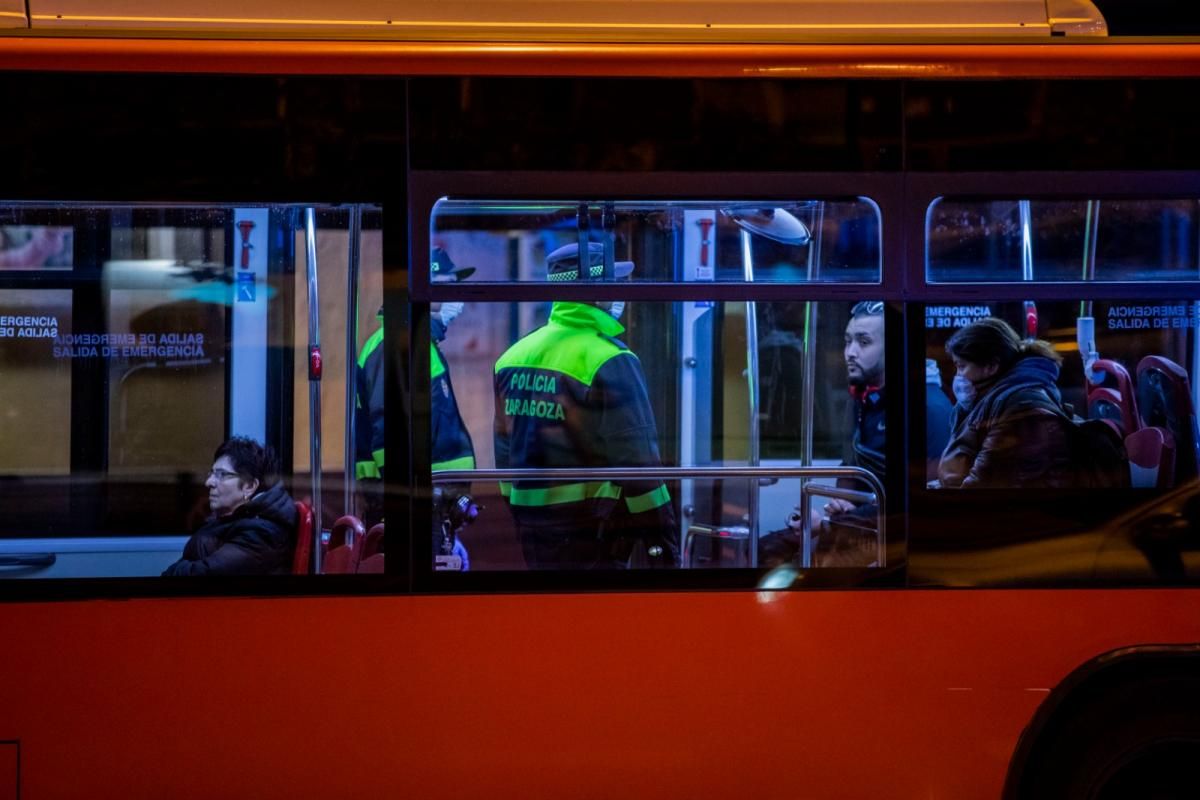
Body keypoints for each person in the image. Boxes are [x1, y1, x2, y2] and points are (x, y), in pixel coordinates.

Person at [493, 241, 678, 569]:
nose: (622, 291)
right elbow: (639, 463)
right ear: (596, 289)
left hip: (531, 529)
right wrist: (661, 545)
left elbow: (504, 448)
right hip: (592, 532)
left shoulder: (512, 356)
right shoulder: (609, 359)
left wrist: (521, 510)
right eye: (615, 282)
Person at [936, 317, 1074, 489]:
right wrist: (965, 409)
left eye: (962, 366)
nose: (958, 375)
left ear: (992, 366)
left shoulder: (1021, 410)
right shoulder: (991, 400)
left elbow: (979, 487)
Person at [163, 437, 296, 576]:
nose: (209, 482)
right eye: (212, 473)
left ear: (249, 486)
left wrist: (175, 570)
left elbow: (204, 575)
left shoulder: (262, 533)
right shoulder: (234, 519)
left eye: (221, 475)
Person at [428, 247, 476, 568]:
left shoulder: (425, 345)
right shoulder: (413, 347)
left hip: (439, 507)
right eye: (445, 286)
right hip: (428, 504)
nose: (454, 296)